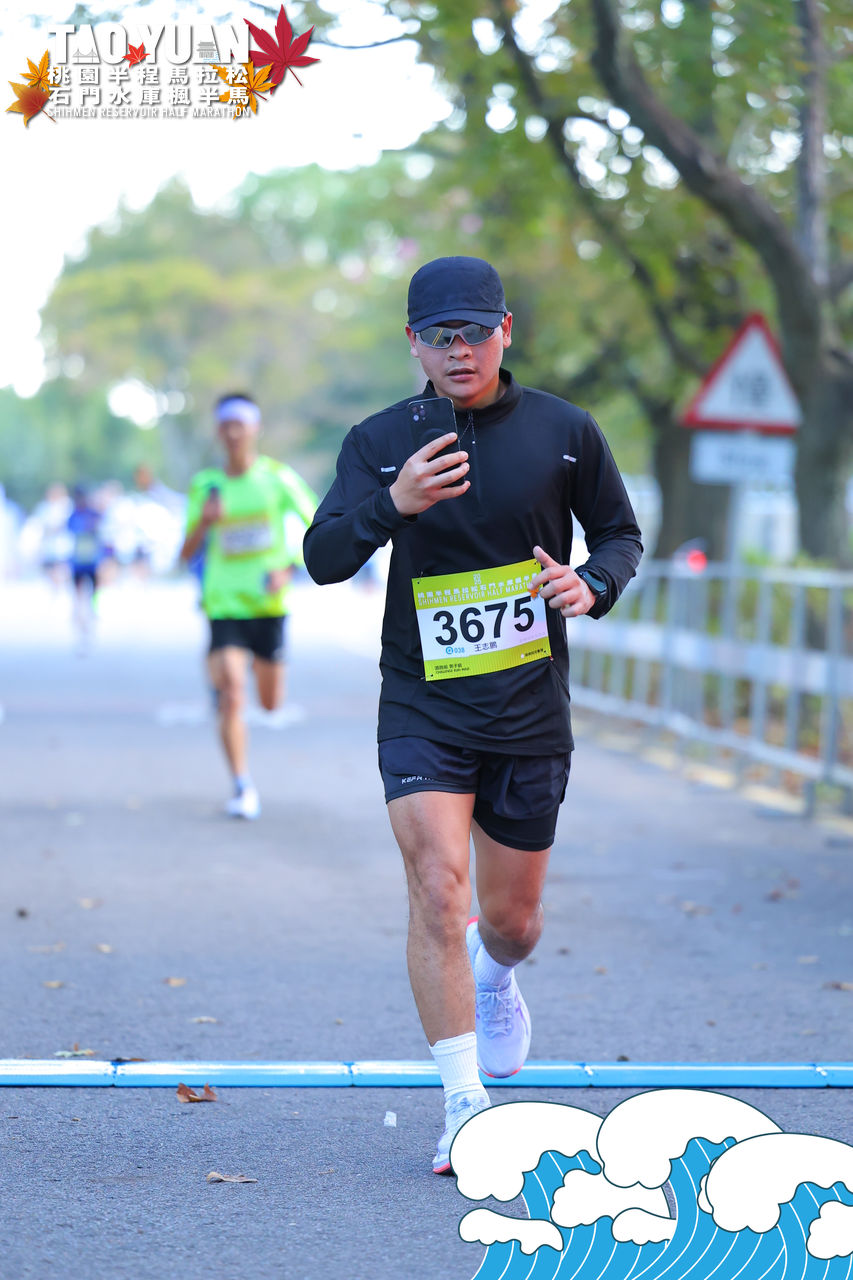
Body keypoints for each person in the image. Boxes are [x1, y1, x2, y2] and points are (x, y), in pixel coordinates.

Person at [303, 256, 643, 1174]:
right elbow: (323, 556)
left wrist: (592, 582)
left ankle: (495, 975)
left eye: (475, 332)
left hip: (527, 706)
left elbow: (618, 533)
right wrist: (392, 504)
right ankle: (463, 1105)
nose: (459, 350)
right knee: (436, 888)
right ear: (413, 344)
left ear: (504, 332)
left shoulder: (564, 432)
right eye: (438, 336)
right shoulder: (379, 441)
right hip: (424, 701)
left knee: (512, 921)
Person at [180, 393, 318, 819]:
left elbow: (319, 523)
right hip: (223, 604)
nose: (233, 432)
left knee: (271, 703)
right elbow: (184, 554)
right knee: (233, 695)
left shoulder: (277, 479)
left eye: (240, 423)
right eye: (225, 425)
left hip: (268, 605)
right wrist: (205, 521)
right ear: (218, 432)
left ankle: (234, 678)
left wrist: (290, 567)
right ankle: (241, 785)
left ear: (254, 428)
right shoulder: (206, 485)